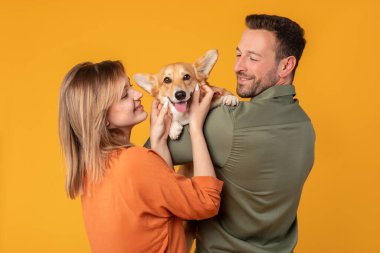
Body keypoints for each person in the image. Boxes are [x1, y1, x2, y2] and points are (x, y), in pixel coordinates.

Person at [154, 14, 315, 252]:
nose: (238, 66)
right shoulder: (306, 127)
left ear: (286, 66)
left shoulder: (228, 121)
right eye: (239, 54)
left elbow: (147, 159)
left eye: (253, 58)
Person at [58, 60, 223, 253]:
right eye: (124, 95)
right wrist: (196, 127)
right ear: (101, 118)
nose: (137, 95)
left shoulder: (92, 169)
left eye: (131, 87)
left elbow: (166, 204)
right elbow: (207, 202)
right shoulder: (135, 161)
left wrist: (159, 142)